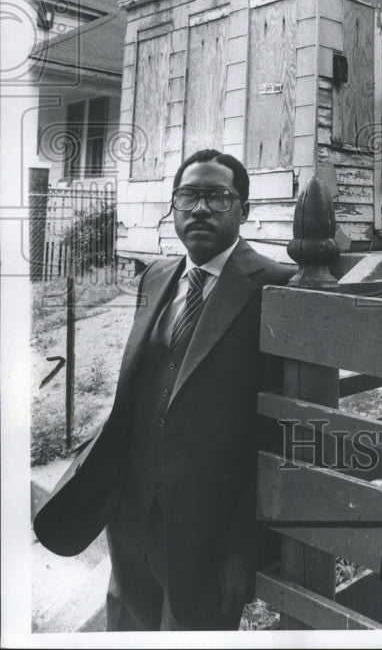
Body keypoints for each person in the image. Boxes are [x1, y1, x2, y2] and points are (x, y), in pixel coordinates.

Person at [34, 149, 294, 630]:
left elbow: (274, 434)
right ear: (173, 206)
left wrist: (244, 545)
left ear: (244, 210)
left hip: (207, 531)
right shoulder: (155, 277)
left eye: (218, 196)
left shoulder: (276, 286)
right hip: (131, 516)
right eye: (188, 195)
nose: (200, 209)